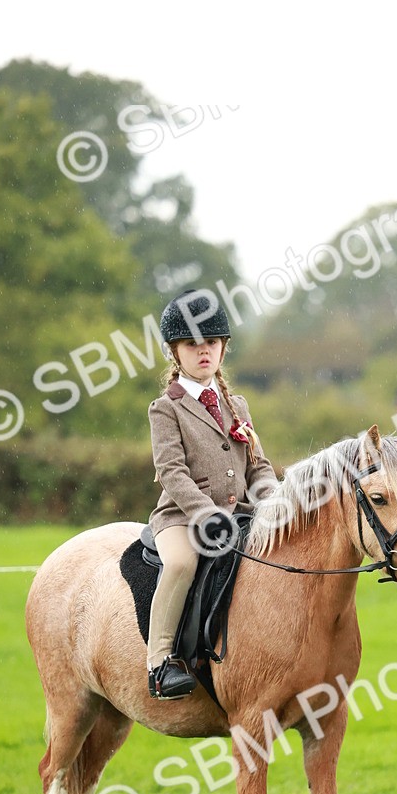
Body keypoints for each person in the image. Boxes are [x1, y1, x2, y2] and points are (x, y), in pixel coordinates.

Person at [147, 289, 278, 700]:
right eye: (192, 344)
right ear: (175, 352)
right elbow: (171, 472)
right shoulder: (166, 408)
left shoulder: (237, 405)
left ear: (223, 347)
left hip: (241, 514)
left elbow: (257, 465)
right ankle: (160, 663)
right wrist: (206, 514)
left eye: (211, 342)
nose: (203, 351)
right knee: (181, 564)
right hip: (182, 518)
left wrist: (274, 500)